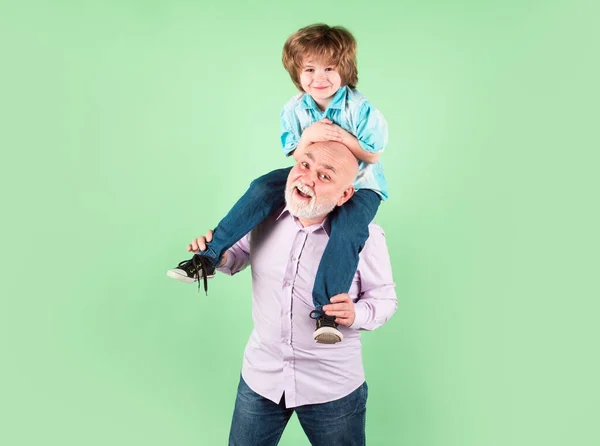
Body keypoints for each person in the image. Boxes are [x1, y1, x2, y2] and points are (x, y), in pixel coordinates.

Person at [167, 24, 389, 344]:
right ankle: (210, 256)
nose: (319, 77)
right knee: (261, 188)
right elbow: (296, 152)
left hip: (361, 183)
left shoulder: (359, 108)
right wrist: (311, 137)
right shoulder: (295, 109)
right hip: (309, 172)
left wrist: (346, 141)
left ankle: (326, 311)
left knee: (348, 229)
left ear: (345, 70)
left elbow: (374, 152)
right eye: (309, 69)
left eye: (329, 68)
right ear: (297, 73)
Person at [188, 141, 396, 446]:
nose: (307, 179)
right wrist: (219, 256)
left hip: (330, 387)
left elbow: (385, 300)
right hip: (263, 376)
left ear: (345, 194)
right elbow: (238, 255)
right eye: (304, 165)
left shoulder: (366, 236)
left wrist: (356, 314)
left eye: (325, 176)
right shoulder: (262, 216)